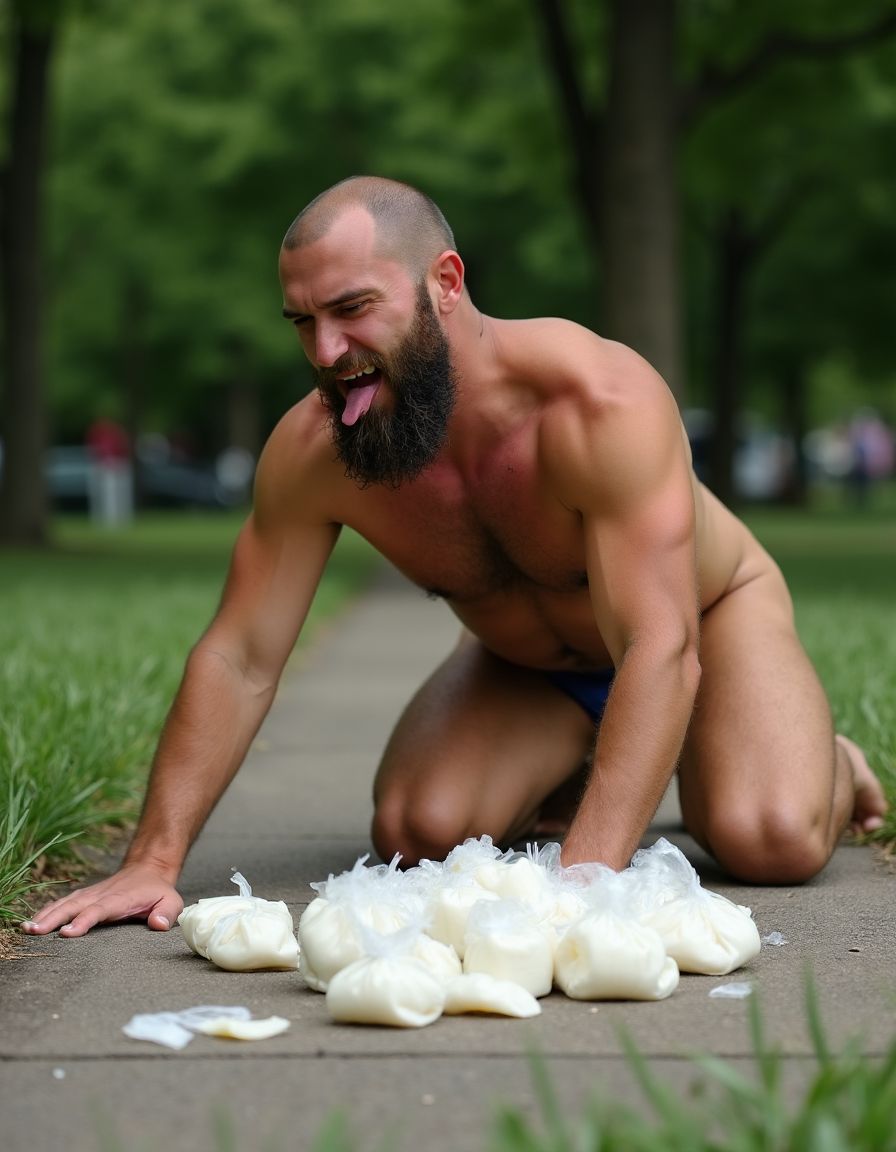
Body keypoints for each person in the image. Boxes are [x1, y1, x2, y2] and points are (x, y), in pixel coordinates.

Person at [22, 176, 886, 939]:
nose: (325, 352)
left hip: (701, 623)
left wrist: (579, 894)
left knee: (768, 837)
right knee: (417, 831)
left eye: (352, 308)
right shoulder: (319, 450)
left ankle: (826, 763)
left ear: (444, 283)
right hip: (532, 666)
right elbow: (239, 655)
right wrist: (153, 861)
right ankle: (585, 766)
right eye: (303, 322)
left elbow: (660, 644)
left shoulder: (597, 402)